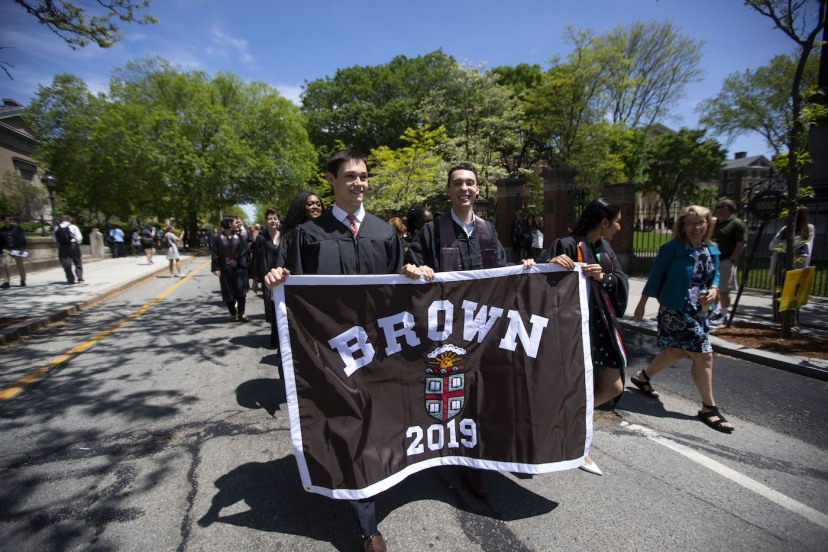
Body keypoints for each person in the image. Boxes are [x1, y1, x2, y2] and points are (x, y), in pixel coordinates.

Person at [264, 150, 415, 552]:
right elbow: (291, 301)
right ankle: (368, 525)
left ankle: (376, 477)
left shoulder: (385, 233)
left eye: (364, 176)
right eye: (349, 176)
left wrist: (414, 273)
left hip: (380, 349)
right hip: (333, 354)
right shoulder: (307, 236)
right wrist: (278, 277)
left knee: (377, 421)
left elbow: (403, 296)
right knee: (349, 423)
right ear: (331, 180)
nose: (359, 184)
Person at [403, 162, 534, 497]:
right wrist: (414, 269)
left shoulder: (488, 232)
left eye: (470, 183)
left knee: (483, 393)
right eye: (457, 183)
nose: (464, 188)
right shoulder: (432, 232)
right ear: (448, 190)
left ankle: (475, 461)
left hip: (482, 331)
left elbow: (502, 274)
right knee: (452, 393)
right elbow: (408, 267)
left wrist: (523, 268)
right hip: (445, 333)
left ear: (478, 190)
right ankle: (445, 452)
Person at [632, 205, 734, 434]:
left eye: (700, 222)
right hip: (677, 309)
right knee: (704, 355)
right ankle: (709, 407)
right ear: (683, 226)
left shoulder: (711, 250)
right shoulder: (671, 249)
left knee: (677, 351)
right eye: (690, 223)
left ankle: (642, 377)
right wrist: (642, 303)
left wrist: (715, 288)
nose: (696, 227)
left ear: (708, 224)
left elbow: (714, 274)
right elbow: (656, 275)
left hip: (701, 309)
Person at [547, 198, 629, 476]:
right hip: (574, 332)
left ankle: (565, 416)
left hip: (602, 328)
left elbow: (619, 280)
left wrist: (603, 277)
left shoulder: (604, 248)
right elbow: (546, 284)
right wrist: (551, 263)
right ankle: (576, 444)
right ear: (604, 222)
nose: (619, 227)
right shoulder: (568, 244)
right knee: (578, 385)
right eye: (616, 221)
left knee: (614, 386)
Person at [769, 206, 815, 324]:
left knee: (794, 292)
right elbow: (772, 245)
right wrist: (786, 246)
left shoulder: (808, 229)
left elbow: (804, 245)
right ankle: (778, 319)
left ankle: (792, 321)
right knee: (779, 290)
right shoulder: (785, 229)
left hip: (797, 263)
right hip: (781, 262)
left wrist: (786, 246)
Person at [710, 199, 747, 325]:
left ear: (727, 208)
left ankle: (724, 314)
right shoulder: (716, 224)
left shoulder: (736, 223)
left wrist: (732, 259)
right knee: (713, 288)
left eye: (719, 206)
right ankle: (714, 312)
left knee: (724, 289)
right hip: (713, 260)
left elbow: (741, 242)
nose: (716, 208)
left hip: (726, 260)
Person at [212, 216, 251, 322]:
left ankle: (241, 313)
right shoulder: (218, 238)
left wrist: (237, 262)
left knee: (241, 292)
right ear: (229, 224)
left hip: (239, 269)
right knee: (228, 292)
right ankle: (233, 313)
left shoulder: (240, 237)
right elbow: (215, 253)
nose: (237, 224)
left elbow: (244, 252)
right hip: (225, 270)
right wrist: (216, 268)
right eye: (235, 222)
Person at [254, 209, 282, 347]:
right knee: (271, 306)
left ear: (279, 220)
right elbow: (256, 259)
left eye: (275, 218)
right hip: (267, 277)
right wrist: (255, 280)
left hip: (282, 277)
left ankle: (282, 337)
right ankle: (274, 336)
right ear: (266, 222)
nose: (272, 221)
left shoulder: (284, 236)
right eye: (270, 218)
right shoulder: (261, 238)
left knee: (281, 306)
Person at [54, 214, 83, 284]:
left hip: (62, 246)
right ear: (69, 220)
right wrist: (78, 243)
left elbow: (55, 239)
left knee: (66, 263)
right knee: (77, 261)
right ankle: (79, 277)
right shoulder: (73, 227)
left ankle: (70, 279)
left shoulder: (56, 228)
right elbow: (79, 238)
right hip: (73, 245)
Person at [1, 214, 27, 288]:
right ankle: (6, 281)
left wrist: (22, 248)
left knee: (20, 265)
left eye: (11, 219)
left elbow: (23, 239)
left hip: (17, 249)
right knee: (3, 264)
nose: (10, 221)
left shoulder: (18, 229)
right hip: (7, 250)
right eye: (8, 219)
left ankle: (23, 280)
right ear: (4, 220)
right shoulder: (1, 231)